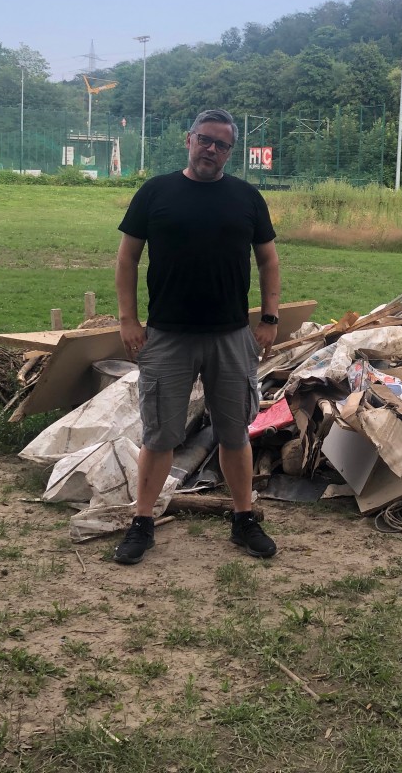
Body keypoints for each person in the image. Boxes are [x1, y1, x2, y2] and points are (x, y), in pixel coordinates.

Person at [113, 108, 281, 565]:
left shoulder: (246, 197)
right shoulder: (156, 192)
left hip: (231, 336)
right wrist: (129, 320)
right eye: (205, 139)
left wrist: (268, 316)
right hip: (168, 335)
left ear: (231, 151)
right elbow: (127, 259)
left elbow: (268, 259)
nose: (211, 149)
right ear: (189, 140)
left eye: (221, 144)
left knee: (235, 434)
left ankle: (244, 518)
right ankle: (142, 522)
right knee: (159, 435)